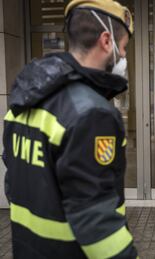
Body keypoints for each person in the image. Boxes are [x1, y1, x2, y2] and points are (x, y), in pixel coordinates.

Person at [2, 0, 138, 258]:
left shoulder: (26, 99)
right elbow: (96, 220)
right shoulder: (92, 113)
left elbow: (14, 184)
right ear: (106, 41)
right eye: (124, 47)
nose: (124, 56)